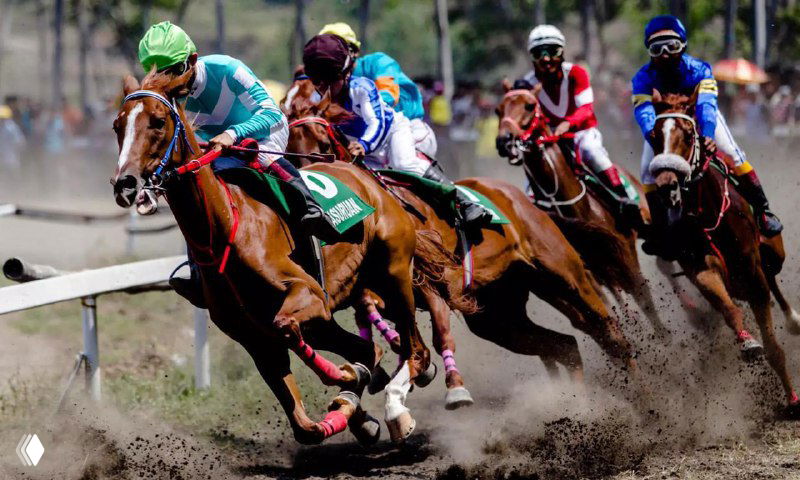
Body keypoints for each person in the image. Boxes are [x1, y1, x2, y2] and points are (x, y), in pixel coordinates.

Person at [137, 21, 337, 307]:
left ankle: (311, 208)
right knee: (195, 193)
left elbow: (271, 113)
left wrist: (234, 133)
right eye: (159, 74)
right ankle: (197, 271)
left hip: (263, 132)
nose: (168, 82)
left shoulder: (226, 68)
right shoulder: (164, 99)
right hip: (217, 148)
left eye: (174, 71)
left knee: (256, 154)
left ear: (192, 61)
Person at [301, 33, 492, 228]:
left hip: (393, 133)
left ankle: (465, 203)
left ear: (346, 73)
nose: (324, 89)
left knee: (404, 164)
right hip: (369, 153)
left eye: (330, 81)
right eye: (318, 82)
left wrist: (364, 144)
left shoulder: (362, 88)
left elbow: (377, 122)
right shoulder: (318, 99)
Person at [632, 14, 783, 250]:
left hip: (699, 120)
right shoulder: (642, 77)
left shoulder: (700, 69)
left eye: (671, 46)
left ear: (682, 45)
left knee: (732, 154)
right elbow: (644, 113)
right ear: (649, 50)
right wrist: (654, 136)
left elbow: (706, 106)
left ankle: (763, 212)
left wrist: (709, 134)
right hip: (663, 128)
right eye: (657, 47)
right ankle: (662, 232)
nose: (664, 53)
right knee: (646, 172)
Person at [521, 25, 641, 225]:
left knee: (592, 152)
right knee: (534, 170)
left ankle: (624, 197)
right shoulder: (527, 83)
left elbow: (586, 109)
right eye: (538, 53)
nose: (546, 58)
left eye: (552, 51)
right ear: (532, 56)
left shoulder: (577, 73)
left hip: (582, 133)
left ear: (562, 52)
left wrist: (566, 125)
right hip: (550, 140)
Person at [317, 22, 438, 161]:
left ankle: (441, 183)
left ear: (354, 51)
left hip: (409, 129)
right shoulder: (325, 81)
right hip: (368, 141)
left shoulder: (379, 62)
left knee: (403, 164)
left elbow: (389, 95)